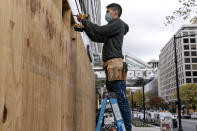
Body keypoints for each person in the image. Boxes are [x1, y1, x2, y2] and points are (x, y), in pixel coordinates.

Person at [77, 3, 131, 131]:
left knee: (121, 100)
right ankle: (122, 127)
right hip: (111, 66)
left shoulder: (117, 24)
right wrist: (85, 27)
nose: (106, 14)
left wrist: (84, 20)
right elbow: (96, 36)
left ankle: (127, 129)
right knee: (117, 99)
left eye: (108, 11)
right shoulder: (112, 28)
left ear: (115, 12)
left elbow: (100, 30)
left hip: (115, 65)